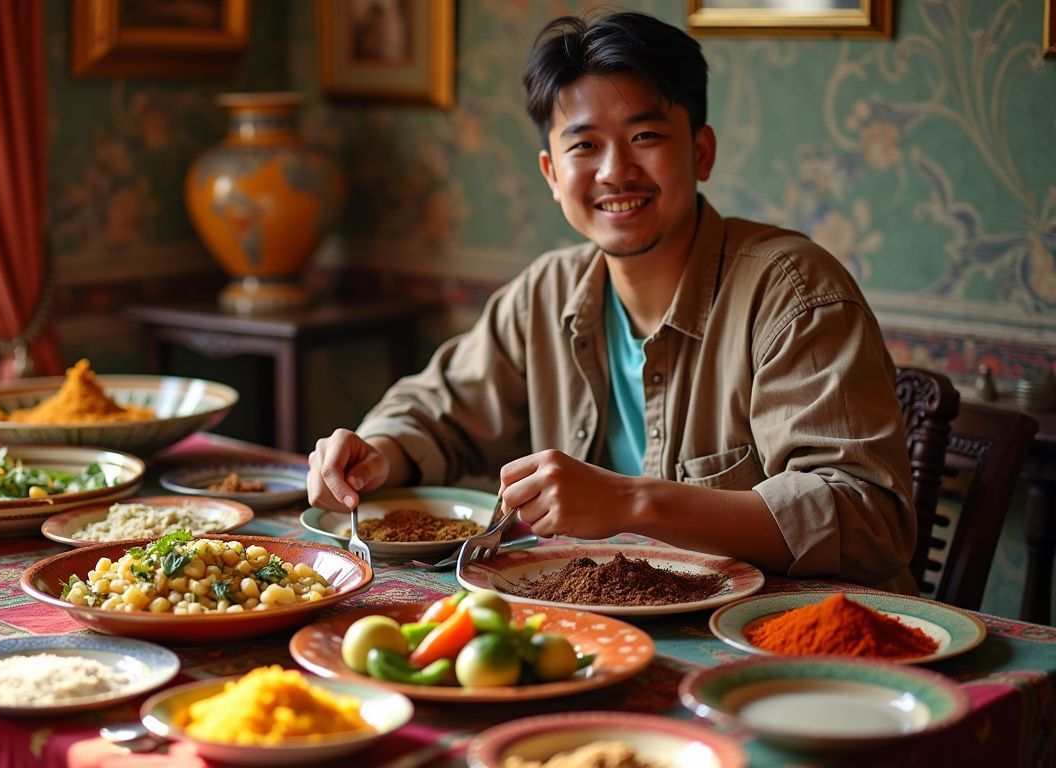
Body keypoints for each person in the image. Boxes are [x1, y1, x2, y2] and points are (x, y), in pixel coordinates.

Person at [306, 11, 915, 592]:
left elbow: (865, 517)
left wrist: (629, 500)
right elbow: (435, 412)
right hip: (618, 626)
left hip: (791, 643)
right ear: (551, 172)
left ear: (700, 151)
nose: (615, 171)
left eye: (645, 136)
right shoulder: (546, 293)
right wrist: (375, 455)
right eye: (584, 145)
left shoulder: (795, 292)